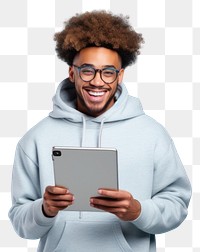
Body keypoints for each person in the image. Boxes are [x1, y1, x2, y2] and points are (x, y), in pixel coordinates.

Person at [9, 10, 191, 252]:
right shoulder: (36, 139)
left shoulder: (152, 134)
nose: (97, 81)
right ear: (72, 72)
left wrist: (139, 211)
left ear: (120, 76)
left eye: (108, 72)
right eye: (87, 70)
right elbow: (21, 225)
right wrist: (44, 209)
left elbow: (177, 205)